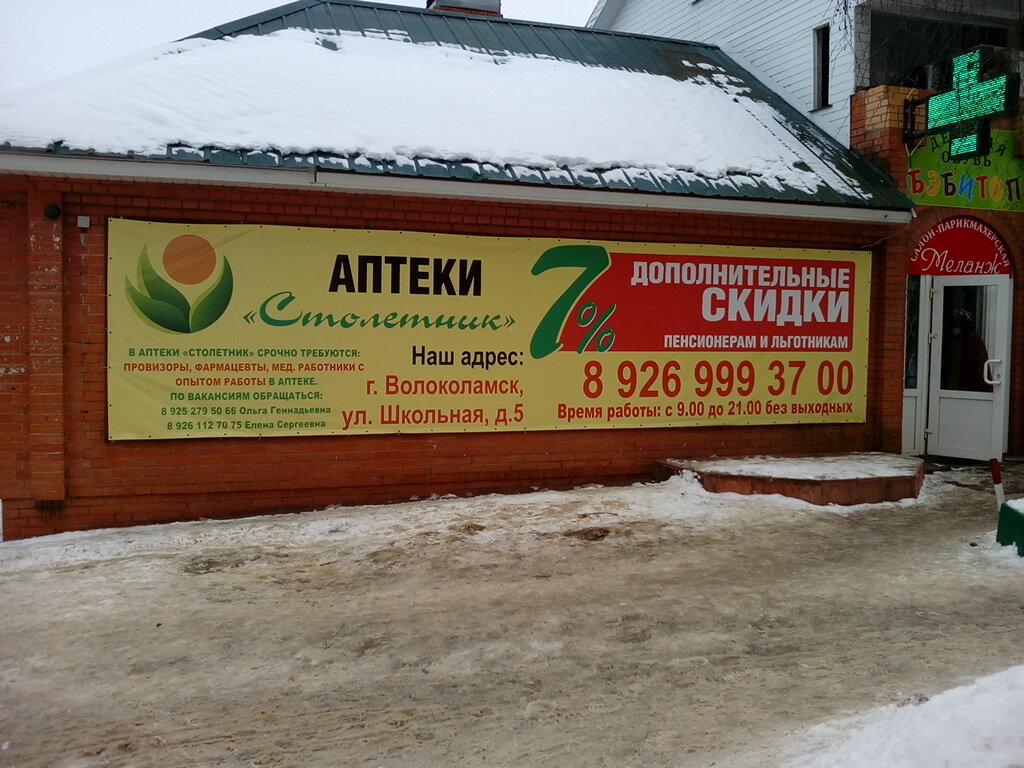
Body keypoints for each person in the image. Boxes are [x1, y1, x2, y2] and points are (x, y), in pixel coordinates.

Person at [941, 308, 992, 392]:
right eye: (954, 325)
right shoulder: (947, 340)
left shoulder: (972, 340)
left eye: (959, 325)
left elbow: (980, 367)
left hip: (967, 388)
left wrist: (987, 390)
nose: (956, 329)